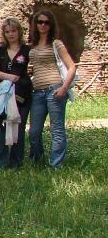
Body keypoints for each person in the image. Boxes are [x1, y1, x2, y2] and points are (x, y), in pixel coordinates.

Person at [28, 10, 77, 168]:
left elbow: (71, 67)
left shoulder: (56, 44)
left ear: (51, 25)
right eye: (40, 22)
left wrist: (64, 88)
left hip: (54, 90)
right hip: (37, 92)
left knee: (57, 130)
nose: (43, 25)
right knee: (34, 132)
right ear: (35, 24)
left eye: (46, 22)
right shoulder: (33, 45)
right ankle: (38, 161)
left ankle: (56, 165)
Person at [0, 17, 32, 169]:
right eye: (7, 32)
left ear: (19, 31)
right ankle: (0, 162)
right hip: (4, 93)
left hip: (23, 92)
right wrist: (9, 77)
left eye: (13, 31)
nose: (11, 34)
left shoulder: (27, 50)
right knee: (2, 125)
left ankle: (16, 162)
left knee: (19, 127)